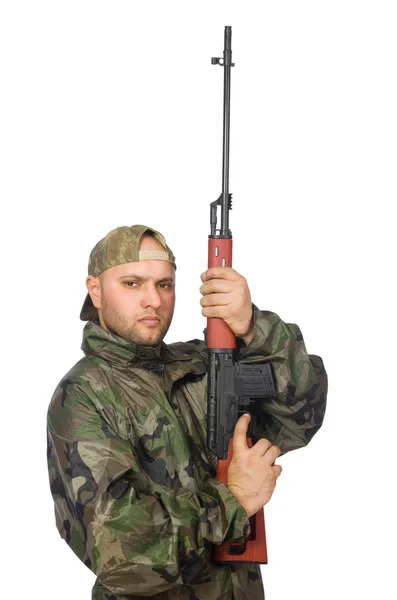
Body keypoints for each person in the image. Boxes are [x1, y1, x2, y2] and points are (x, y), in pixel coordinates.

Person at [47, 224, 328, 600]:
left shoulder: (202, 364)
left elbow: (301, 415)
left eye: (164, 284)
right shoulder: (83, 395)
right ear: (95, 291)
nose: (153, 300)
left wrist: (252, 328)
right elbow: (123, 556)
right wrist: (233, 500)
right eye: (132, 283)